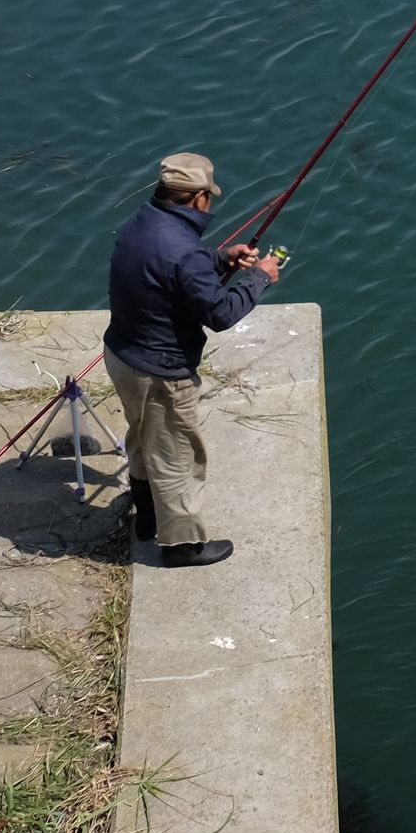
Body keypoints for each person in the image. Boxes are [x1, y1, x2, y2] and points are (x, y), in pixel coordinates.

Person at [103, 150, 282, 567]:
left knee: (143, 439)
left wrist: (219, 259)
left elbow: (169, 269)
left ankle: (146, 519)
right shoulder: (183, 249)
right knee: (178, 455)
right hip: (160, 372)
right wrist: (259, 277)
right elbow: (220, 314)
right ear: (200, 197)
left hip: (121, 355)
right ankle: (182, 547)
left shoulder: (142, 224)